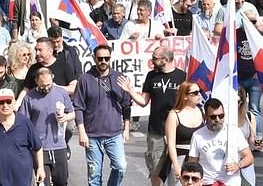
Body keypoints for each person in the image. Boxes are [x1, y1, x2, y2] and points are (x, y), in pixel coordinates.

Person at [118, 47, 187, 185]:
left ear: (166, 60)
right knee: (156, 170)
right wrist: (130, 90)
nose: (152, 61)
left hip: (178, 131)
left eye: (155, 58)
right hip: (156, 132)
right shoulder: (151, 76)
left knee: (178, 171)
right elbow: (144, 101)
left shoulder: (183, 77)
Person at [73, 44, 131, 186]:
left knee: (121, 166)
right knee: (94, 175)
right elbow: (78, 106)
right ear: (94, 59)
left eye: (106, 58)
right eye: (100, 58)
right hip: (92, 135)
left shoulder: (119, 78)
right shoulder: (85, 79)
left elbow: (126, 104)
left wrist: (127, 128)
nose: (103, 61)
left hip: (114, 134)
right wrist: (81, 132)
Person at [0, 88, 46, 186]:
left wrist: (40, 168)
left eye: (8, 101)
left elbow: (38, 148)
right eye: (1, 102)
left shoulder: (25, 123)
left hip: (21, 179)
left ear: (14, 102)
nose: (5, 105)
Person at [18, 67, 75, 186]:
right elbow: (23, 123)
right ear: (36, 81)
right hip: (39, 148)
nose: (47, 88)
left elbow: (73, 113)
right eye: (43, 85)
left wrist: (65, 117)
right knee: (42, 182)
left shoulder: (61, 93)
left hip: (59, 145)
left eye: (49, 84)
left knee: (61, 181)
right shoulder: (29, 97)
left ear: (52, 78)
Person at [187, 98, 254, 186]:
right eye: (213, 117)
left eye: (221, 116)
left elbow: (249, 157)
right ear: (205, 117)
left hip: (231, 182)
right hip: (207, 183)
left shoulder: (234, 132)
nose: (217, 119)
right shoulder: (197, 135)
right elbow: (192, 164)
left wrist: (238, 165)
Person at [164, 82, 204, 181]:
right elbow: (171, 144)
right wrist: (176, 165)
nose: (199, 95)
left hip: (199, 159)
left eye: (200, 91)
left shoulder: (201, 111)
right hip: (180, 158)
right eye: (194, 93)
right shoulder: (174, 115)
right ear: (185, 96)